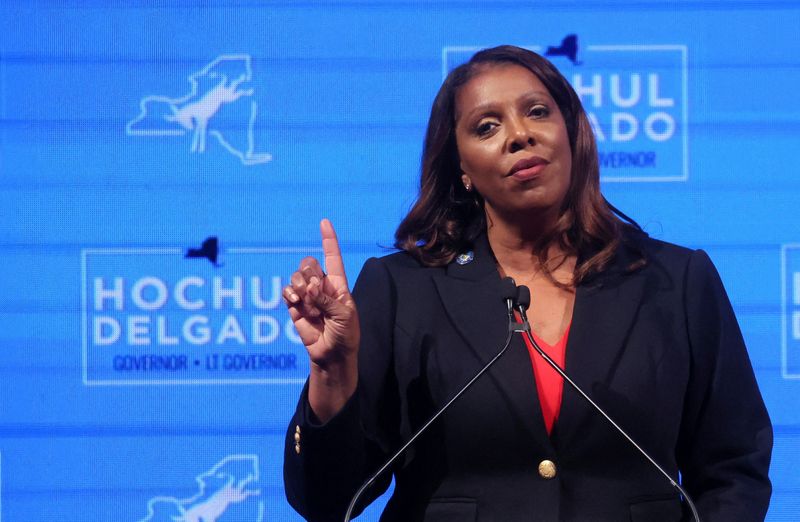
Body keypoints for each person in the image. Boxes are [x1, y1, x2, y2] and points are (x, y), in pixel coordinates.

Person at [281, 45, 772, 521]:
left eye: (537, 112)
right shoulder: (401, 289)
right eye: (487, 126)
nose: (519, 135)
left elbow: (733, 468)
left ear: (571, 132)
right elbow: (326, 501)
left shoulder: (677, 281)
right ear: (462, 169)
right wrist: (331, 371)